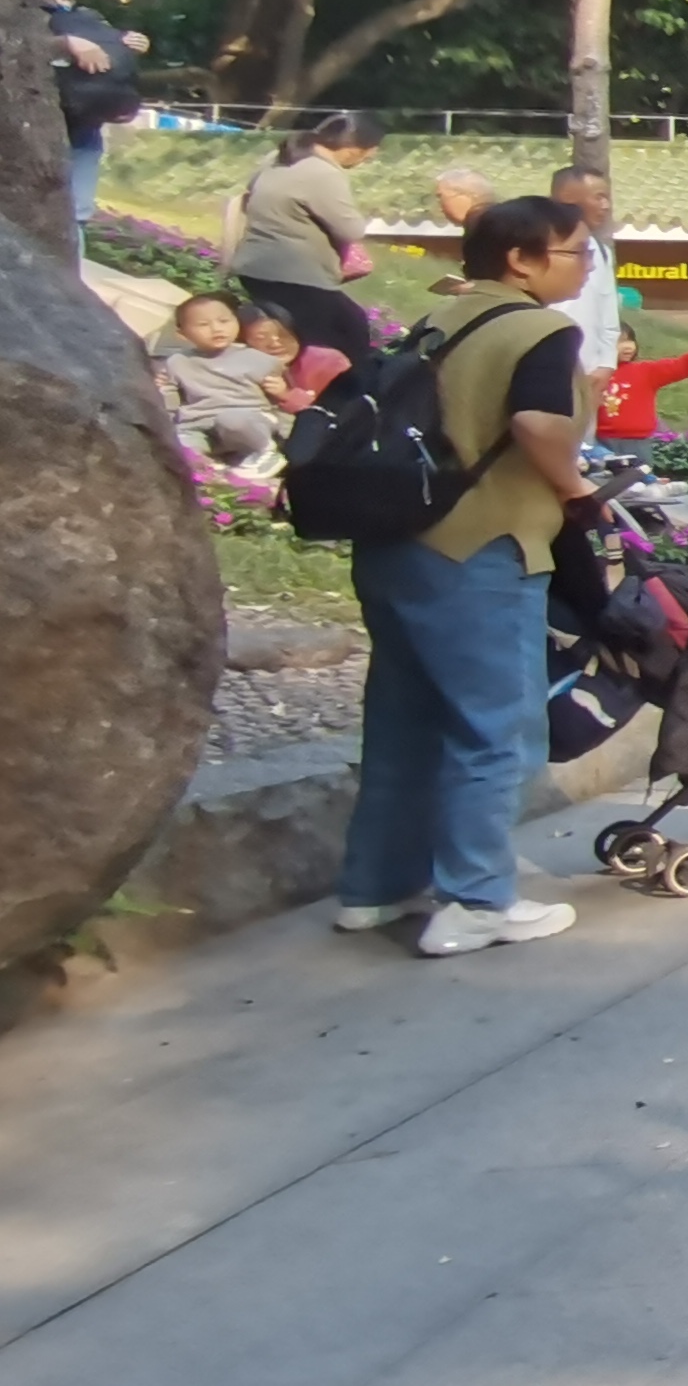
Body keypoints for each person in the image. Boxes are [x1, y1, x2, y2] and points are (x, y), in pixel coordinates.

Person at [325, 198, 598, 956]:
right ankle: (476, 900)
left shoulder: (440, 318)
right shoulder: (539, 329)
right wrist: (577, 490)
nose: (584, 265)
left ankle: (375, 887)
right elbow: (538, 424)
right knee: (495, 728)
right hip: (480, 546)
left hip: (396, 543)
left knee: (403, 722)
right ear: (523, 259)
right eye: (576, 251)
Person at [231, 112, 385, 361]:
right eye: (368, 153)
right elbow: (351, 229)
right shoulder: (322, 173)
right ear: (352, 148)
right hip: (296, 275)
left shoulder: (278, 158)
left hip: (256, 267)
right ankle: (331, 396)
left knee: (345, 323)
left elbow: (250, 192)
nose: (368, 159)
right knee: (337, 341)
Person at [26, 0, 141, 221]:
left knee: (76, 212)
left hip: (82, 127)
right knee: (32, 213)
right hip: (32, 127)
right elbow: (11, 47)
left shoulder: (86, 15)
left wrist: (127, 43)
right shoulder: (17, 6)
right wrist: (65, 44)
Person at [154, 290, 284, 470]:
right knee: (180, 446)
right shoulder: (178, 362)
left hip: (247, 420)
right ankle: (208, 466)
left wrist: (282, 392)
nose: (216, 329)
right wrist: (161, 392)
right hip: (200, 424)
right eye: (203, 324)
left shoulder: (258, 359)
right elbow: (170, 399)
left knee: (233, 420)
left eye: (224, 321)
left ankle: (265, 450)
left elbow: (281, 401)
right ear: (182, 334)